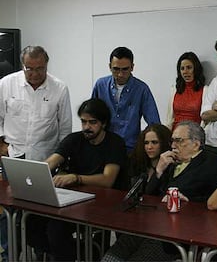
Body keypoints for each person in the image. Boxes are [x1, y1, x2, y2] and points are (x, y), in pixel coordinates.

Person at [102, 121, 217, 261]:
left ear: (196, 144)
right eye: (172, 141)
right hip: (150, 225)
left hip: (175, 235)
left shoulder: (213, 163)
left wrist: (190, 202)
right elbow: (147, 196)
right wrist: (158, 170)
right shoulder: (169, 162)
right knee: (110, 257)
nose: (173, 145)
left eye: (179, 141)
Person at [26, 98, 127, 261]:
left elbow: (108, 179)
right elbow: (52, 161)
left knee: (55, 228)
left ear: (104, 123)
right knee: (30, 222)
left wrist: (76, 178)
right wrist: (32, 173)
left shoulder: (114, 143)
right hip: (72, 201)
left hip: (101, 202)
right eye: (84, 122)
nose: (87, 127)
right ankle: (83, 253)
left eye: (92, 122)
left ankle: (73, 254)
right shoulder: (74, 139)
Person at [0, 45, 72, 262]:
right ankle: (9, 253)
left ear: (46, 65)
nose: (34, 74)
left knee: (40, 213)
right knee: (8, 210)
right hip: (13, 157)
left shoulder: (59, 88)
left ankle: (40, 252)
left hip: (45, 160)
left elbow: (65, 129)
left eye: (39, 68)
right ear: (23, 66)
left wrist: (62, 160)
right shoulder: (6, 84)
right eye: (29, 68)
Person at [92, 46, 160, 152]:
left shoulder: (141, 89)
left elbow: (154, 123)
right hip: (103, 147)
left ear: (132, 67)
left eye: (125, 69)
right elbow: (92, 117)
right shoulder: (100, 85)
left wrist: (146, 144)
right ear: (110, 66)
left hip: (130, 149)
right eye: (116, 69)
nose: (120, 74)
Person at [165, 51, 206, 130]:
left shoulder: (205, 91)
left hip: (194, 135)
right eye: (182, 68)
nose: (185, 72)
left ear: (196, 69)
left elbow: (204, 121)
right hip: (175, 134)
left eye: (189, 67)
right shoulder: (174, 90)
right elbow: (169, 119)